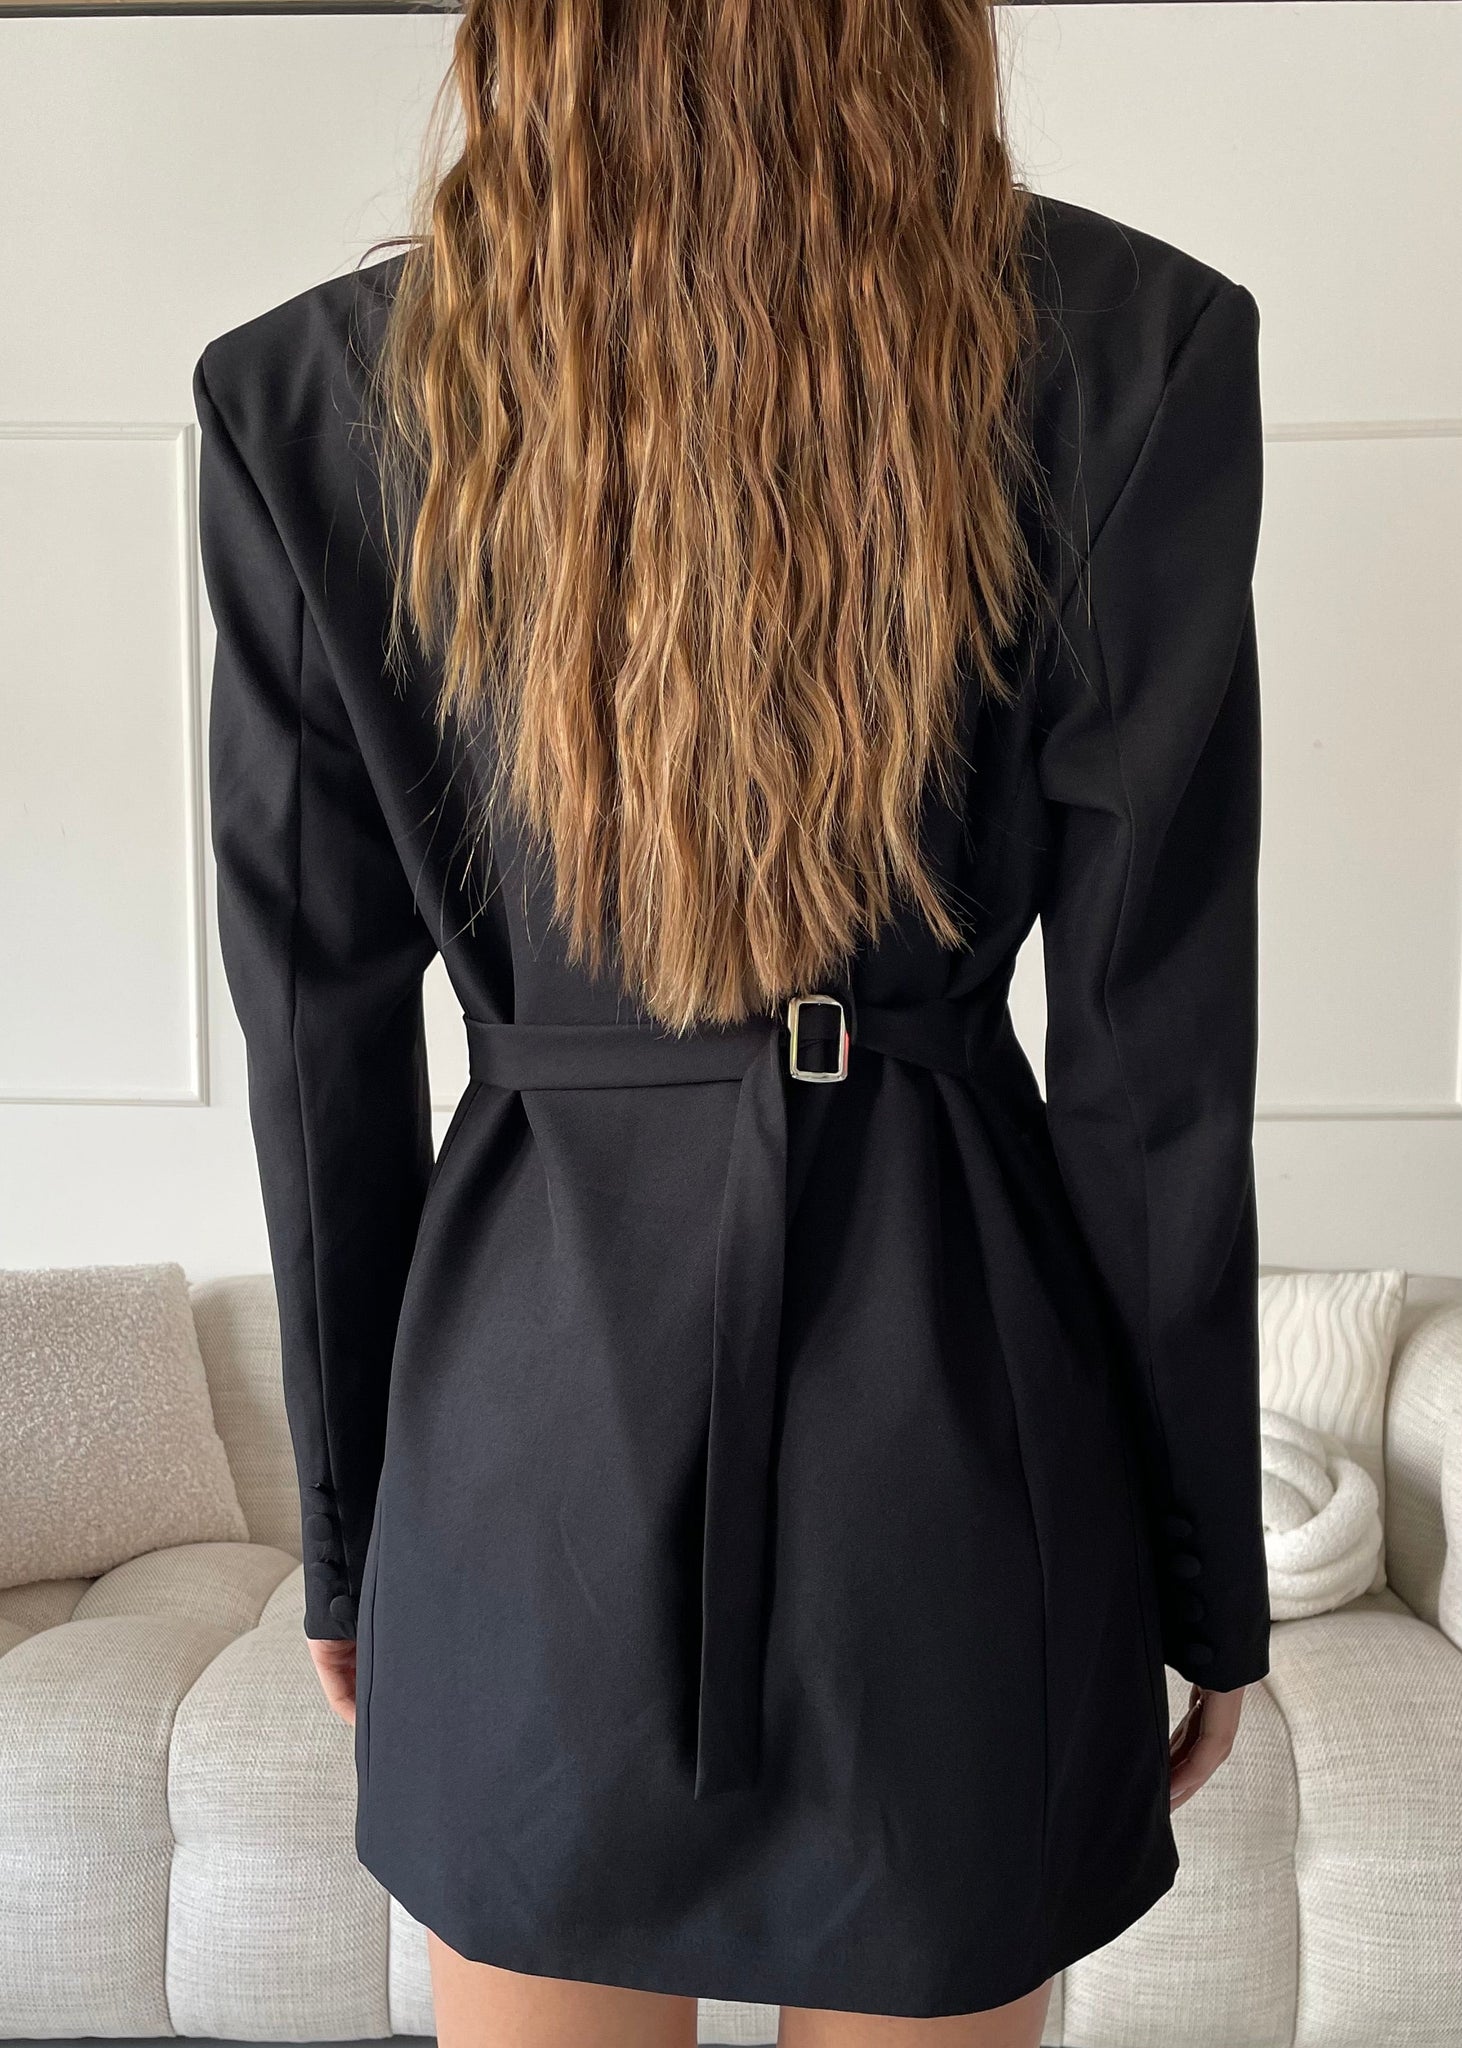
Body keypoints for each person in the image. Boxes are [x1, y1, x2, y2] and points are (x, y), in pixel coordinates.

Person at [193, 3, 1270, 2043]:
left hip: (517, 1443)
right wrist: (1200, 1573)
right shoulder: (1129, 343)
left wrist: (352, 1545)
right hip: (954, 1428)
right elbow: (1154, 1072)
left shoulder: (312, 391)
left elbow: (316, 1054)